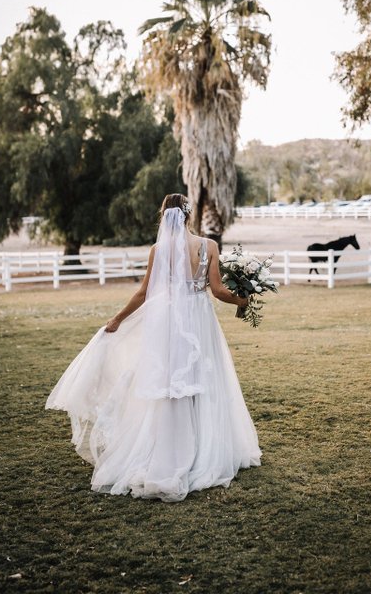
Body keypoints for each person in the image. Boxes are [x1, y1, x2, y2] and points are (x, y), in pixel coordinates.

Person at [45, 193, 261, 502]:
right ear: (189, 216)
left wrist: (117, 319)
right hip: (200, 320)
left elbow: (144, 293)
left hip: (170, 322)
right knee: (202, 378)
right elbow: (217, 290)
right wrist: (242, 299)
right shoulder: (208, 246)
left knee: (171, 381)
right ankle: (203, 449)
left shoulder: (158, 250)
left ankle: (171, 447)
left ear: (164, 216)